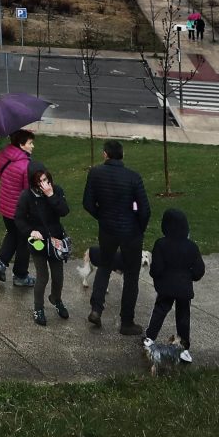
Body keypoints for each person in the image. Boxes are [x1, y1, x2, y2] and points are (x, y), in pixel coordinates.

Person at [81, 138, 150, 335]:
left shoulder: (95, 173)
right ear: (122, 155)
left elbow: (87, 203)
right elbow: (144, 209)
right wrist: (139, 227)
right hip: (131, 232)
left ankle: (96, 309)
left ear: (105, 154)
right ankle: (127, 322)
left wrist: (102, 216)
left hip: (108, 230)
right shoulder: (133, 177)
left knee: (104, 265)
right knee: (131, 275)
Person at [144, 206, 205, 362]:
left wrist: (156, 276)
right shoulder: (191, 246)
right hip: (184, 287)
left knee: (160, 311)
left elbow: (156, 268)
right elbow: (199, 270)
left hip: (165, 286)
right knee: (183, 316)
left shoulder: (161, 244)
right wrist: (188, 277)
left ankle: (150, 338)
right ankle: (184, 349)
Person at [19, 167, 72, 325]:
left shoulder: (56, 191)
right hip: (38, 242)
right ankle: (38, 308)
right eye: (40, 181)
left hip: (55, 240)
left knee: (58, 276)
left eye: (46, 180)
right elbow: (19, 219)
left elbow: (64, 211)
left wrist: (51, 195)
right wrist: (31, 231)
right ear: (33, 183)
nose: (44, 184)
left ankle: (56, 299)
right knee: (43, 276)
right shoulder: (27, 196)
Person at [0, 129, 42, 287]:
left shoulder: (4, 156)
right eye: (30, 143)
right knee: (24, 242)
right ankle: (20, 276)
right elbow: (29, 192)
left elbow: (1, 176)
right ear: (21, 145)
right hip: (20, 211)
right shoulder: (26, 166)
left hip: (5, 207)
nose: (33, 146)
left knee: (12, 233)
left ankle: (1, 262)